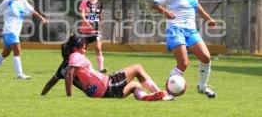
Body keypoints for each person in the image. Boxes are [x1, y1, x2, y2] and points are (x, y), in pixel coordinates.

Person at [152, 0, 217, 98]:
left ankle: (202, 87)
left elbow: (196, 5)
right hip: (175, 29)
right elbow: (155, 4)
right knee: (183, 63)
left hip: (191, 30)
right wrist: (166, 12)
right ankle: (169, 93)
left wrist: (208, 19)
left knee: (206, 58)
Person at [42, 35, 173, 101]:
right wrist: (69, 97)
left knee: (135, 85)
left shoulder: (64, 64)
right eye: (83, 47)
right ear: (75, 48)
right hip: (108, 85)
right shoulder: (75, 56)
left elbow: (52, 80)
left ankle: (145, 97)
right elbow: (69, 74)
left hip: (103, 94)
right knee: (137, 68)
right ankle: (162, 94)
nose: (85, 50)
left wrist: (42, 95)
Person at [0, 0, 48, 79]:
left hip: (14, 32)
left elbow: (31, 11)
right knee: (17, 50)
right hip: (9, 30)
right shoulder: (7, 1)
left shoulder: (22, 0)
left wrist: (41, 18)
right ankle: (19, 74)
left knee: (6, 53)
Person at [78, 0, 106, 73]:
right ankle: (82, 67)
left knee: (98, 48)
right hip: (84, 31)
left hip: (96, 31)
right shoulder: (84, 2)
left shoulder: (99, 4)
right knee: (82, 51)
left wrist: (99, 24)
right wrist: (87, 22)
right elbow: (82, 14)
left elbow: (100, 17)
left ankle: (101, 69)